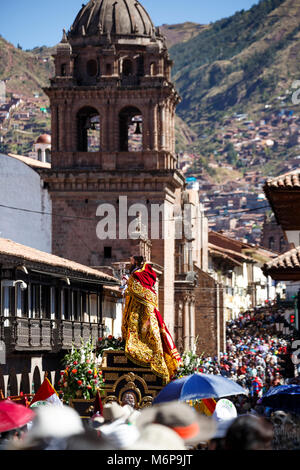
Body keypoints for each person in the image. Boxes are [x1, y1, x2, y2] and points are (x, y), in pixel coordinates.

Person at [122, 255, 181, 384]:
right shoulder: (139, 273)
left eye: (131, 260)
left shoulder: (137, 274)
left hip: (141, 308)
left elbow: (137, 288)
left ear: (136, 261)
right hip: (138, 306)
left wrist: (128, 282)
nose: (129, 262)